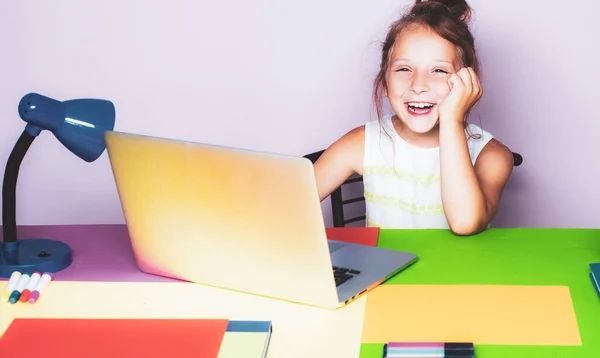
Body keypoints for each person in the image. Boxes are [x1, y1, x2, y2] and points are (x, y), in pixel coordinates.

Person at [314, 0, 514, 235]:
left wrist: (450, 119)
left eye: (439, 70)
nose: (418, 85)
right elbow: (286, 204)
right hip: (388, 273)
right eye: (404, 69)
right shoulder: (360, 143)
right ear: (384, 83)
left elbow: (465, 223)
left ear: (467, 82)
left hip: (460, 273)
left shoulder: (492, 155)